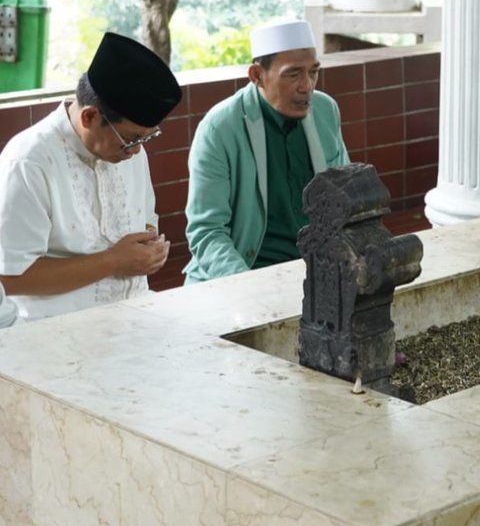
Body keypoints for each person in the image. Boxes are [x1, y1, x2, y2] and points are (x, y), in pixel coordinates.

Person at [0, 32, 182, 320]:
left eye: (146, 139)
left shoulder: (130, 151)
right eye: (131, 139)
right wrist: (113, 262)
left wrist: (148, 251)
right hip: (54, 336)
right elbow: (11, 278)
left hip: (136, 316)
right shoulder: (29, 162)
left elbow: (145, 222)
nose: (135, 151)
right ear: (90, 117)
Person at [183, 17, 350, 284]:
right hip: (241, 275)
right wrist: (248, 287)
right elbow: (206, 232)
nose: (307, 86)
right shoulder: (220, 128)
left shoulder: (325, 110)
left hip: (314, 273)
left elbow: (346, 201)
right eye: (293, 74)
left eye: (313, 72)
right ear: (257, 75)